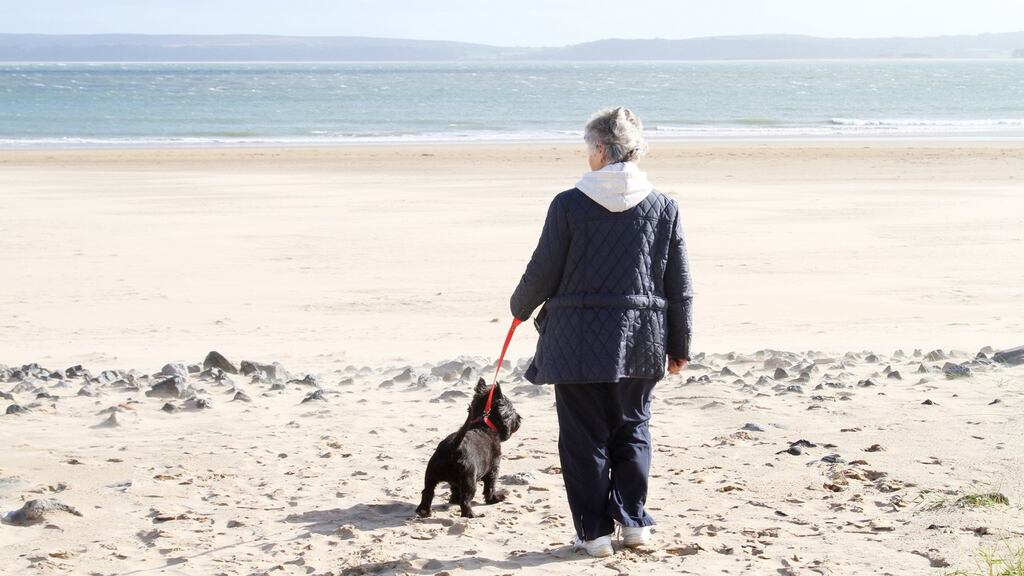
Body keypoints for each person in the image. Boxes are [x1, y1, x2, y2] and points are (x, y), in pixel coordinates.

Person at [510, 107, 693, 557]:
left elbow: (543, 270)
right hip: (641, 336)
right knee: (633, 429)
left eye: (586, 149)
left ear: (599, 150)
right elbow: (680, 286)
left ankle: (593, 534)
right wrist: (680, 345)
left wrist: (519, 307)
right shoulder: (663, 205)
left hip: (577, 341)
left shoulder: (569, 203)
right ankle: (633, 524)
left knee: (583, 437)